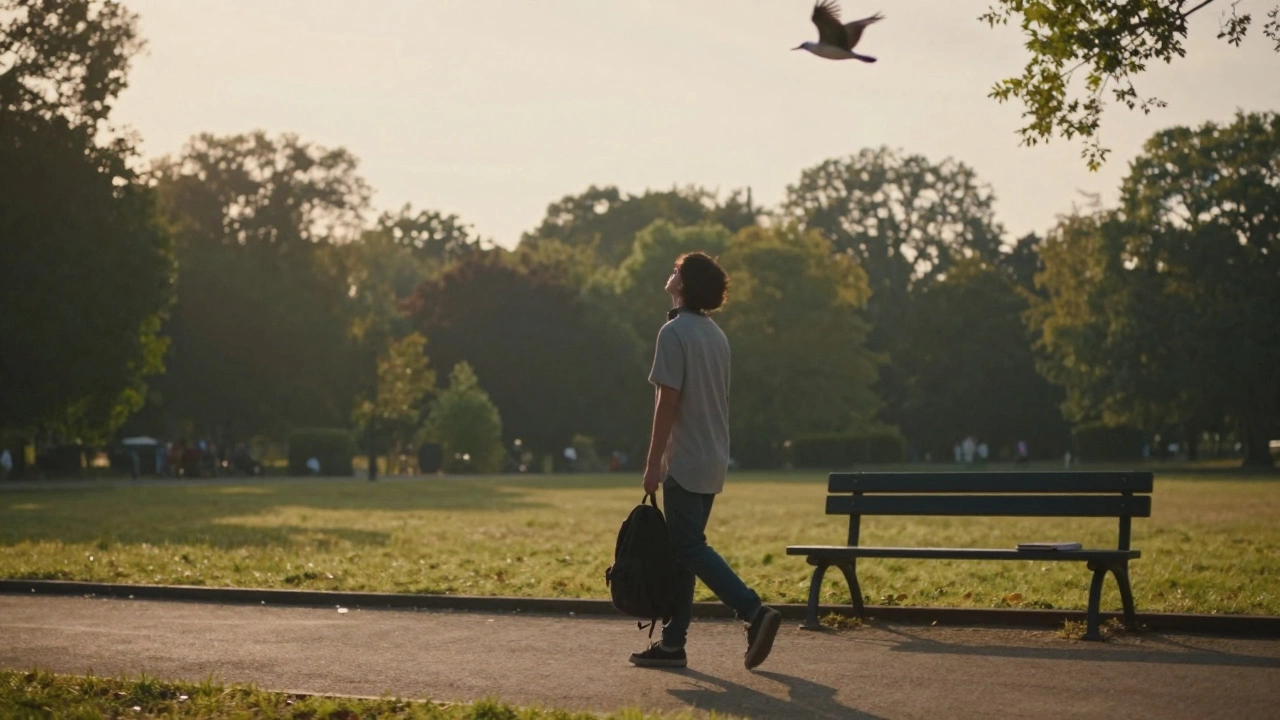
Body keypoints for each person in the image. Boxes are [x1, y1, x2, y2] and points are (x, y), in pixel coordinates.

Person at [629, 251, 782, 671]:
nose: (671, 272)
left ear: (685, 284)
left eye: (677, 270)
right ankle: (673, 645)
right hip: (714, 456)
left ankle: (753, 611)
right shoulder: (716, 335)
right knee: (684, 553)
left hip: (686, 459)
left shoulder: (674, 332)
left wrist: (653, 461)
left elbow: (668, 401)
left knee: (690, 548)